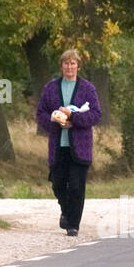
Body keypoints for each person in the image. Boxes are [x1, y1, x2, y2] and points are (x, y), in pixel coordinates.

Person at [35, 48, 102, 236]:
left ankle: (73, 224)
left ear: (78, 66)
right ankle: (65, 211)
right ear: (61, 66)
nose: (69, 66)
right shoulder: (50, 88)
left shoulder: (88, 88)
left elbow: (96, 114)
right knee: (57, 183)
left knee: (76, 185)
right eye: (66, 63)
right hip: (58, 146)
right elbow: (40, 113)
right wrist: (55, 121)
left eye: (73, 63)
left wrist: (73, 117)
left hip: (80, 146)